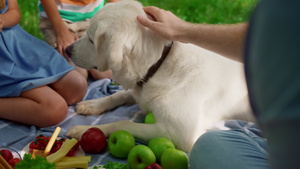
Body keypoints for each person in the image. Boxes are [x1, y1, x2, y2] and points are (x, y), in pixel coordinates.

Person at [137, 0, 300, 168]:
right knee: (209, 144)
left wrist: (183, 30)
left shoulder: (282, 13)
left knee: (206, 148)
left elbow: (269, 37)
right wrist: (182, 30)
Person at [0, 0, 88, 128]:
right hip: (4, 62)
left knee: (77, 87)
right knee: (55, 110)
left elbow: (14, 13)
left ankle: (36, 91)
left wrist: (2, 19)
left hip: (18, 46)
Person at [38, 0, 119, 80]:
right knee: (78, 76)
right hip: (59, 20)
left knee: (104, 73)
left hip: (92, 18)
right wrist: (62, 32)